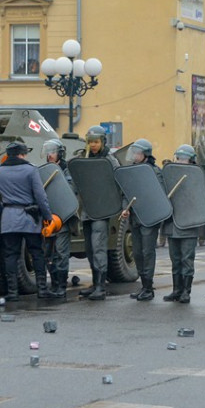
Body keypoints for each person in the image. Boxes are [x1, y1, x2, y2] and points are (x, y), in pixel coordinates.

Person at [0, 141, 52, 301]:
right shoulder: (31, 170)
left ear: (7, 155)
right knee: (37, 253)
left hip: (9, 218)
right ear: (22, 154)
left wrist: (2, 210)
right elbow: (41, 196)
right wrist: (47, 216)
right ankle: (42, 289)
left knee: (10, 255)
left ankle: (12, 292)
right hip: (30, 218)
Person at [77, 125, 119, 300]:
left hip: (101, 209)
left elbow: (117, 181)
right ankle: (95, 283)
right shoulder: (83, 158)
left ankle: (101, 287)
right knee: (89, 248)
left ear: (102, 142)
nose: (93, 145)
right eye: (90, 142)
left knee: (98, 247)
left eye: (96, 142)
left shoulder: (110, 160)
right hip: (87, 209)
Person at [122, 139, 165, 302]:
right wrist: (126, 208)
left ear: (146, 154)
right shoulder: (132, 170)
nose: (134, 156)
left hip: (149, 217)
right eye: (133, 153)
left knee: (147, 252)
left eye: (137, 153)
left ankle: (148, 287)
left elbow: (159, 193)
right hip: (135, 217)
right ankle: (143, 285)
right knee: (137, 253)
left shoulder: (154, 171)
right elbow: (126, 191)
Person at [161, 145, 201, 304]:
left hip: (188, 224)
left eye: (184, 159)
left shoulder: (197, 175)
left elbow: (203, 195)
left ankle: (186, 291)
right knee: (175, 260)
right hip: (172, 224)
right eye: (178, 158)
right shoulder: (169, 175)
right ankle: (177, 290)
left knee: (187, 260)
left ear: (191, 160)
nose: (180, 161)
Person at [41, 138, 74, 299]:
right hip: (48, 218)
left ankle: (61, 285)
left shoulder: (67, 170)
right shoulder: (44, 170)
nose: (50, 155)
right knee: (47, 253)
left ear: (60, 153)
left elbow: (70, 190)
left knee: (61, 252)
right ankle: (54, 283)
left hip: (63, 217)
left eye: (53, 152)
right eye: (48, 152)